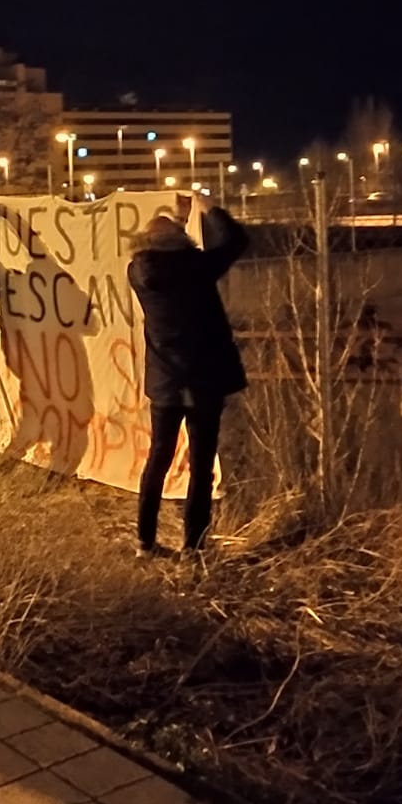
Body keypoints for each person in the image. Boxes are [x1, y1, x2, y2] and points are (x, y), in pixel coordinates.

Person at [128, 193, 250, 555]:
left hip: (165, 384)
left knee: (158, 460)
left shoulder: (137, 271)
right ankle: (193, 547)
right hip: (204, 382)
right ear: (181, 242)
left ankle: (144, 542)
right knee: (201, 464)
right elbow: (237, 240)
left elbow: (165, 258)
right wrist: (205, 206)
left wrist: (177, 223)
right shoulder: (197, 268)